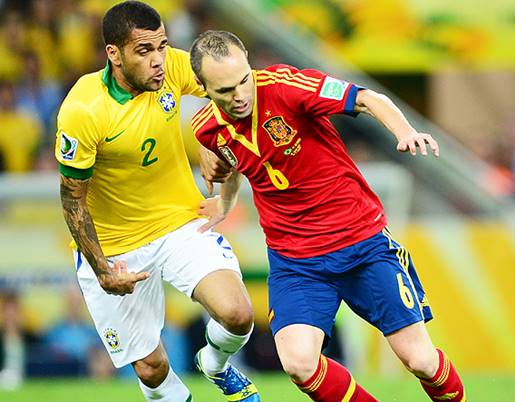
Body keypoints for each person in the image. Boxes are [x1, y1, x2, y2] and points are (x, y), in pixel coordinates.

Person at [190, 30, 466, 402]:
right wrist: (225, 203)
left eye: (243, 81)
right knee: (299, 362)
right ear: (202, 87)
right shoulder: (205, 128)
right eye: (225, 91)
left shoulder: (286, 86)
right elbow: (235, 160)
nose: (239, 96)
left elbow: (367, 98)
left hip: (362, 244)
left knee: (420, 360)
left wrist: (405, 131)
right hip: (296, 262)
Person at [54, 2, 259, 401]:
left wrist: (211, 134)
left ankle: (214, 364)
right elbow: (72, 201)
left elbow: (236, 86)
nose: (159, 61)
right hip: (117, 249)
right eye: (144, 51)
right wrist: (102, 269)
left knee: (238, 314)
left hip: (180, 223)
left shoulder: (173, 68)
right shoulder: (83, 110)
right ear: (114, 54)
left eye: (162, 46)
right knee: (152, 369)